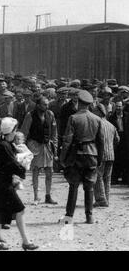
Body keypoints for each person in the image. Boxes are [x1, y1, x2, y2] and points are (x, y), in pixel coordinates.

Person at [0, 117, 38, 250]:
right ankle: (25, 241)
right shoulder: (4, 145)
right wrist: (22, 168)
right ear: (11, 131)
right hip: (3, 185)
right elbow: (13, 164)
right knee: (20, 210)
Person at [60, 90, 104, 224]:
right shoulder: (97, 119)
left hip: (76, 155)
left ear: (79, 103)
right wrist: (99, 159)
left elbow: (67, 140)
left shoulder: (73, 118)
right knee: (89, 187)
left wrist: (62, 158)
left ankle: (69, 216)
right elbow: (101, 141)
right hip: (92, 155)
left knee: (73, 186)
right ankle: (89, 216)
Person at [21, 97, 58, 205]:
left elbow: (54, 132)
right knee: (36, 171)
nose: (46, 107)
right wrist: (25, 149)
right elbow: (24, 132)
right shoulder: (30, 115)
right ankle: (36, 197)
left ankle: (48, 195)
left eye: (47, 105)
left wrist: (54, 146)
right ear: (38, 105)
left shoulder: (50, 114)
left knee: (49, 171)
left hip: (47, 146)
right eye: (44, 105)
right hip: (35, 146)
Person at [94, 104, 119, 207]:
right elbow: (117, 139)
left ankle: (101, 200)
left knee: (98, 177)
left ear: (99, 112)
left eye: (95, 111)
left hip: (100, 154)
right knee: (107, 178)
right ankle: (106, 199)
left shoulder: (97, 124)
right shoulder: (111, 125)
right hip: (111, 154)